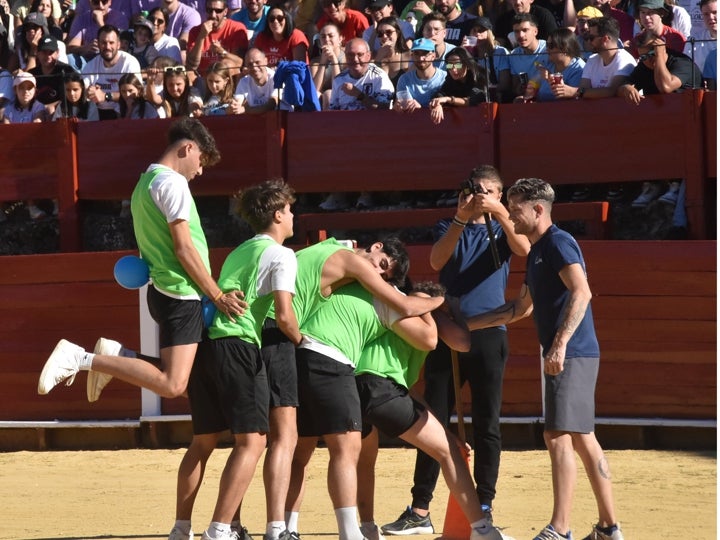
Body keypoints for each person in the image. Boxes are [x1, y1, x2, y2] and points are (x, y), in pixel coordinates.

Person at [37, 118, 248, 405]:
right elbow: (184, 249)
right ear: (188, 148)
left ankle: (117, 357)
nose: (200, 170)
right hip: (181, 291)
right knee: (174, 385)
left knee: (197, 383)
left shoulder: (143, 183)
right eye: (201, 160)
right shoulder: (173, 184)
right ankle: (82, 357)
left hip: (165, 289)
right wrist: (218, 295)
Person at [466, 177, 624, 540]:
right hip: (573, 351)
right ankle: (608, 528)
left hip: (571, 352)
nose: (511, 215)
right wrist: (466, 325)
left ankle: (561, 528)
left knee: (556, 436)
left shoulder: (557, 242)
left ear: (538, 209)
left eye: (516, 208)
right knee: (583, 437)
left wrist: (559, 344)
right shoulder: (539, 250)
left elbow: (581, 291)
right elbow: (519, 308)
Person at [382, 165, 530, 536]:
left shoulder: (503, 225)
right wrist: (462, 218)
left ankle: (484, 504)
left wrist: (496, 211)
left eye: (486, 191)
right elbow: (435, 261)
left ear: (500, 193)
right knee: (432, 420)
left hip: (489, 333)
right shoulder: (450, 225)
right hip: (447, 333)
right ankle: (420, 508)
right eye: (472, 190)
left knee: (487, 423)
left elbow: (524, 248)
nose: (476, 195)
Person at [285, 240, 443, 540]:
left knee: (300, 451)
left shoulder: (336, 267)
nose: (377, 272)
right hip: (335, 362)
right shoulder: (383, 293)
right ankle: (350, 532)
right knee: (347, 450)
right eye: (382, 264)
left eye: (384, 273)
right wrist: (436, 302)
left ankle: (285, 528)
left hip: (298, 352)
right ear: (376, 247)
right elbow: (428, 338)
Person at [177, 179, 300, 540]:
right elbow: (284, 315)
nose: (293, 217)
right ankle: (220, 528)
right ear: (278, 215)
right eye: (290, 210)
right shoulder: (282, 254)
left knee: (203, 442)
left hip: (207, 347)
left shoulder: (239, 250)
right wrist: (304, 342)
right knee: (253, 441)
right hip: (238, 347)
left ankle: (180, 528)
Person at [355, 282, 504, 540]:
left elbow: (408, 390)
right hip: (382, 388)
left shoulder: (394, 308)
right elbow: (462, 341)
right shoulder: (426, 308)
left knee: (361, 461)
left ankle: (363, 528)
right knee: (449, 453)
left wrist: (446, 432)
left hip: (354, 386)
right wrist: (450, 309)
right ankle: (482, 530)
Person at [617, 29, 702, 104]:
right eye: (643, 57)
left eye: (652, 54)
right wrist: (626, 88)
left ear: (663, 48)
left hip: (688, 113)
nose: (648, 60)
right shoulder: (644, 66)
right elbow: (621, 88)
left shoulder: (683, 63)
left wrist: (659, 55)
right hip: (659, 116)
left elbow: (665, 87)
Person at [81, 24, 143, 120]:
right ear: (98, 44)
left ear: (119, 44)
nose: (107, 47)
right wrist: (89, 92)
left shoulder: (130, 62)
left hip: (125, 111)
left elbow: (136, 94)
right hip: (98, 113)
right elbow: (81, 90)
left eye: (111, 42)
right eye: (103, 43)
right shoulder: (91, 65)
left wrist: (106, 96)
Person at [575, 16, 637, 99]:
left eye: (591, 38)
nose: (588, 41)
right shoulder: (592, 59)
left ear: (605, 39)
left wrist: (574, 92)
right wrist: (581, 92)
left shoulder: (624, 59)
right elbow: (583, 88)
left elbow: (612, 91)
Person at [328, 37, 394, 110]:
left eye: (360, 54)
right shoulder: (338, 80)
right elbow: (333, 111)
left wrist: (359, 95)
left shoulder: (379, 77)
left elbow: (385, 109)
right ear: (345, 57)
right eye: (350, 55)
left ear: (368, 56)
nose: (355, 59)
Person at [186, 0, 247, 75]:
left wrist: (222, 52)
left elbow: (240, 63)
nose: (213, 15)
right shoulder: (196, 31)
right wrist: (201, 37)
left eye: (218, 11)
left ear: (225, 11)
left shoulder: (236, 29)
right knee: (189, 74)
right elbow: (191, 66)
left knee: (227, 64)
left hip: (226, 79)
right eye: (209, 10)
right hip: (202, 78)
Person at [428, 46, 486, 124]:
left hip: (481, 120)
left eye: (458, 65)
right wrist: (438, 104)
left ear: (467, 65)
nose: (453, 69)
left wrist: (448, 99)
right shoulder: (450, 79)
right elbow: (441, 94)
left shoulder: (481, 75)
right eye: (450, 65)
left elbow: (474, 100)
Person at [66, 0, 129, 66]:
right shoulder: (81, 19)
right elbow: (70, 48)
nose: (100, 6)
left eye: (104, 2)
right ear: (90, 3)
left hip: (112, 61)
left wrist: (100, 23)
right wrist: (86, 48)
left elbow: (122, 47)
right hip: (88, 62)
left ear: (110, 2)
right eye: (96, 2)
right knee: (71, 58)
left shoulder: (120, 18)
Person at [463, 16, 511, 102]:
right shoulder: (469, 54)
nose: (477, 34)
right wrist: (463, 51)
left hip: (496, 96)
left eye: (481, 30)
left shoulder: (500, 52)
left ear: (489, 33)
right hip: (473, 98)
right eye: (474, 31)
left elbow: (505, 84)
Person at [231, 47, 292, 113]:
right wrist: (234, 107)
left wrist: (246, 110)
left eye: (257, 62)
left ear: (266, 61)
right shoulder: (244, 82)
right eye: (250, 64)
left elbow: (271, 105)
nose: (254, 67)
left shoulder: (277, 78)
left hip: (281, 120)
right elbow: (235, 106)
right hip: (257, 121)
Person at [395, 37, 446, 111]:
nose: (421, 58)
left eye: (425, 54)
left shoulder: (445, 77)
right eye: (416, 54)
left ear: (433, 56)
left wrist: (420, 109)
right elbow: (406, 108)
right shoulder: (404, 79)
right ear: (412, 56)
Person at [534, 27, 585, 101]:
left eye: (551, 46)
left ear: (565, 48)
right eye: (547, 45)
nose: (547, 49)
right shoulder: (549, 63)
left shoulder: (578, 69)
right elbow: (536, 63)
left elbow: (575, 101)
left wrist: (551, 80)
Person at [29, 34, 76, 112]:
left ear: (57, 53)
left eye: (51, 52)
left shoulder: (67, 71)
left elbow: (73, 97)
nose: (48, 56)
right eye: (44, 52)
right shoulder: (31, 74)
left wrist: (49, 107)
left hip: (61, 113)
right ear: (37, 53)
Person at [507, 13, 547, 100]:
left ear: (535, 31)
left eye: (525, 30)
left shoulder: (548, 49)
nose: (521, 35)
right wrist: (520, 89)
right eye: (516, 31)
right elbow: (515, 86)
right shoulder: (513, 55)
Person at [310, 22, 346, 107]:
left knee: (329, 94)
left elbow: (338, 87)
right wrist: (322, 62)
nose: (326, 39)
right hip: (322, 99)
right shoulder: (315, 62)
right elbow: (315, 89)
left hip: (342, 95)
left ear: (340, 39)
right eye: (323, 36)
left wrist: (334, 60)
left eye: (331, 36)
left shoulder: (346, 59)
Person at [371, 17, 410, 87]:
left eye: (388, 32)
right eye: (380, 33)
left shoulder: (409, 56)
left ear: (397, 33)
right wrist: (378, 59)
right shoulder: (374, 59)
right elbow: (371, 83)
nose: (384, 36)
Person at [683, 0, 716, 78]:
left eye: (715, 12)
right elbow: (686, 69)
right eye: (706, 14)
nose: (711, 17)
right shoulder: (693, 42)